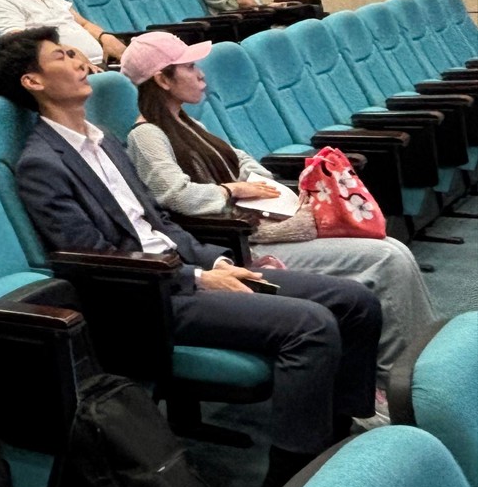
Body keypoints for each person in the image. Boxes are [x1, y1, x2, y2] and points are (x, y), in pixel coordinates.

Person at [0, 27, 383, 487]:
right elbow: (95, 256)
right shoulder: (42, 164)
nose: (79, 61)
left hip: (185, 272)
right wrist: (197, 277)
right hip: (146, 300)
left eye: (75, 51)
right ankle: (288, 480)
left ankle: (336, 431)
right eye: (62, 56)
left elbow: (159, 222)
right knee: (312, 326)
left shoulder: (106, 141)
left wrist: (214, 260)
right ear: (33, 81)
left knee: (355, 302)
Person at [118, 31, 434, 401]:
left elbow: (245, 162)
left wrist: (257, 185)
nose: (200, 74)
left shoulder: (189, 125)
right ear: (161, 79)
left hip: (259, 228)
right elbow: (174, 195)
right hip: (236, 247)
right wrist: (231, 191)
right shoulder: (147, 136)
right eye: (188, 67)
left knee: (393, 248)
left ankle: (421, 366)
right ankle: (397, 385)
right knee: (386, 261)